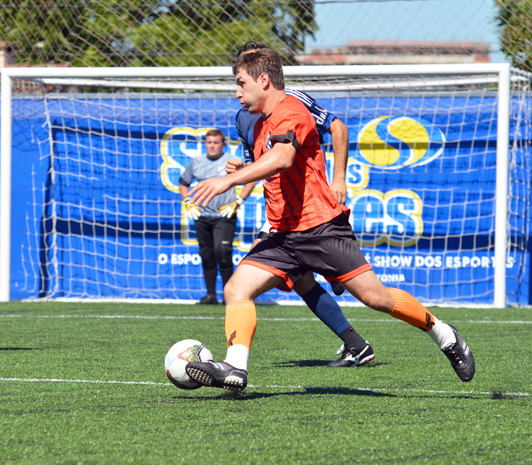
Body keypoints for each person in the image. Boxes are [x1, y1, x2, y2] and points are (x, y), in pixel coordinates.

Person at [185, 47, 475, 392]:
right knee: (236, 287)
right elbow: (271, 164)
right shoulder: (256, 122)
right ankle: (236, 366)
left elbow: (283, 157)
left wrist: (229, 179)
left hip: (322, 228)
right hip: (283, 234)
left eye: (240, 83)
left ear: (263, 80)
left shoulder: (292, 111)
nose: (237, 93)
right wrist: (244, 170)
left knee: (376, 298)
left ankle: (444, 333)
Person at [235, 42, 374, 367]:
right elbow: (260, 163)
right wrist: (239, 173)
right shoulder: (244, 118)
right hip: (281, 213)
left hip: (310, 209)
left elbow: (337, 127)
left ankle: (234, 366)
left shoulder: (293, 100)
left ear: (264, 75)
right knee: (298, 280)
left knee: (246, 283)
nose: (239, 86)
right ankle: (356, 344)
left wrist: (338, 178)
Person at [179, 129, 256, 305]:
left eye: (216, 142)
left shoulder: (231, 161)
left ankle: (230, 297)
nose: (212, 146)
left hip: (224, 215)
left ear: (223, 144)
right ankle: (211, 295)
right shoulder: (196, 162)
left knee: (223, 253)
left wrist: (238, 200)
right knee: (206, 254)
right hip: (202, 216)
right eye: (209, 142)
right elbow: (183, 182)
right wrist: (187, 202)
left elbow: (252, 178)